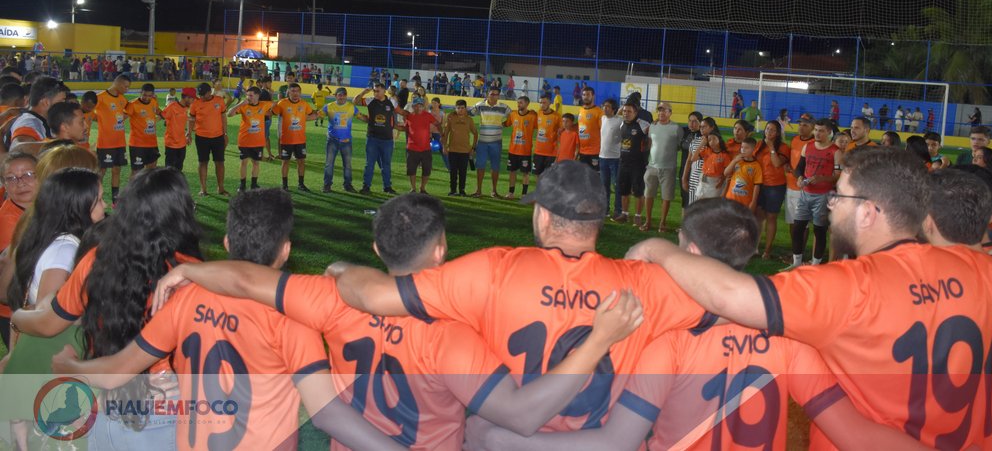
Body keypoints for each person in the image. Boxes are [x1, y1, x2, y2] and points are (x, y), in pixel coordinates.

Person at [151, 192, 642, 451]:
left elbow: (247, 280)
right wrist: (598, 339)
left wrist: (190, 271)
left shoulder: (332, 300)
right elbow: (518, 413)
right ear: (442, 250)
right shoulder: (454, 330)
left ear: (376, 248)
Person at [468, 199, 930, 451]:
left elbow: (615, 442)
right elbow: (853, 434)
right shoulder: (792, 341)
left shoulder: (670, 341)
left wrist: (498, 438)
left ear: (689, 252)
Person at [626, 147, 992, 451]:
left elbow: (727, 295)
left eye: (839, 195)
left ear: (868, 213)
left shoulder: (848, 287)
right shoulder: (981, 269)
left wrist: (658, 248)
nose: (831, 204)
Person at [329, 160, 721, 435]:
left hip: (507, 435)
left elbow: (377, 296)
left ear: (544, 217)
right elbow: (729, 302)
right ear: (598, 220)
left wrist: (342, 270)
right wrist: (659, 250)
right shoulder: (645, 285)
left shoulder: (491, 270)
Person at [54, 187, 405, 451]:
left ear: (226, 241)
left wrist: (71, 366)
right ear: (286, 250)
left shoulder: (186, 297)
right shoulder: (291, 317)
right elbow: (326, 412)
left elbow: (117, 370)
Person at [13, 168, 202, 449]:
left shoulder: (94, 260)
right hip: (163, 407)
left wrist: (18, 316)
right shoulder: (191, 274)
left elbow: (48, 323)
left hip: (106, 408)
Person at [0, 168, 104, 449]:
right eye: (98, 200)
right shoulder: (66, 251)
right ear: (78, 207)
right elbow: (47, 315)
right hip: (50, 367)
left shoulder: (52, 239)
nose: (105, 206)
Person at [788, 117, 838, 267]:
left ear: (829, 132)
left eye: (821, 131)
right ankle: (796, 263)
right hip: (805, 193)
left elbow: (838, 176)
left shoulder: (835, 151)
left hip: (823, 195)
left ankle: (816, 265)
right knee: (797, 228)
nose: (817, 133)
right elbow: (799, 168)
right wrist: (799, 177)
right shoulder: (808, 146)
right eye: (816, 130)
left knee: (819, 230)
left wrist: (823, 178)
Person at [0, 152, 36, 347]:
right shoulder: (8, 223)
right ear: (4, 185)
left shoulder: (37, 208)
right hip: (16, 314)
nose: (20, 183)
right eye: (11, 178)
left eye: (28, 175)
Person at [754, 119, 790, 259]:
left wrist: (771, 147)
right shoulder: (759, 145)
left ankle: (767, 251)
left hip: (775, 186)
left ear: (778, 133)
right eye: (767, 129)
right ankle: (755, 247)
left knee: (771, 217)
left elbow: (776, 164)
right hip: (759, 184)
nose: (769, 132)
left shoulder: (783, 147)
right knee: (758, 216)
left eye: (772, 130)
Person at [272, 82, 317, 192]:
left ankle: (301, 184)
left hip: (300, 139)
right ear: (288, 92)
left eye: (297, 91)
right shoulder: (282, 103)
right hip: (286, 140)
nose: (295, 93)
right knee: (285, 162)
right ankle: (284, 185)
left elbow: (311, 114)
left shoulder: (304, 104)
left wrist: (318, 114)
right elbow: (272, 113)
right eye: (292, 91)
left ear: (300, 92)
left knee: (301, 161)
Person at [93, 74, 130, 203]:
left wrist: (123, 117)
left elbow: (129, 110)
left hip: (120, 142)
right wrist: (100, 120)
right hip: (105, 142)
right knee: (102, 171)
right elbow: (89, 111)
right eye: (125, 86)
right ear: (118, 84)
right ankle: (96, 197)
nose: (127, 89)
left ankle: (115, 199)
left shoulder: (122, 99)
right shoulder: (101, 97)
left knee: (117, 170)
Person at [355, 84, 398, 195]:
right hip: (372, 138)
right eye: (374, 91)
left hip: (387, 139)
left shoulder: (392, 102)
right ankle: (366, 186)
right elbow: (355, 101)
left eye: (378, 91)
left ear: (384, 91)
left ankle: (387, 187)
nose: (375, 93)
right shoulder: (370, 100)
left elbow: (399, 113)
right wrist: (364, 92)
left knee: (386, 164)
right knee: (369, 164)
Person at [229, 85, 273, 191]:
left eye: (251, 95)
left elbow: (277, 105)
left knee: (256, 163)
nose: (248, 97)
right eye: (247, 95)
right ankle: (242, 185)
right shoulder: (243, 106)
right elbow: (229, 114)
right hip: (244, 141)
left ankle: (254, 184)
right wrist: (240, 103)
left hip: (258, 141)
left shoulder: (264, 105)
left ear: (258, 96)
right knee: (244, 162)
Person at [612, 103, 650, 228]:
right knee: (624, 190)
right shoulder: (622, 124)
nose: (626, 113)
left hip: (638, 164)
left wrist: (646, 153)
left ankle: (638, 216)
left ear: (635, 113)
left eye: (629, 111)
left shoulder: (643, 125)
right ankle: (624, 214)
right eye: (624, 111)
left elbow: (652, 138)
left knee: (638, 191)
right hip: (623, 162)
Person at [7, 76, 68, 151]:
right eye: (62, 101)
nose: (65, 106)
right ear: (46, 102)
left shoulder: (41, 120)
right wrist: (63, 145)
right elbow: (17, 148)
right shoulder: (29, 122)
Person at [188, 81, 228, 196]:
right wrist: (188, 133)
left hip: (218, 137)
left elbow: (223, 117)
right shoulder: (195, 103)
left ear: (210, 92)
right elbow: (191, 119)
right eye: (200, 95)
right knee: (202, 162)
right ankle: (203, 189)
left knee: (220, 162)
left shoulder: (219, 101)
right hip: (201, 137)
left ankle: (221, 188)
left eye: (203, 95)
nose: (201, 97)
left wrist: (225, 133)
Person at [469, 88, 510, 198]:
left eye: (496, 94)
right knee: (480, 166)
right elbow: (470, 113)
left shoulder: (504, 107)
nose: (493, 96)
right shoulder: (480, 105)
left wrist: (504, 124)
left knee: (495, 167)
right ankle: (478, 190)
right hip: (482, 142)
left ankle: (494, 191)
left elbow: (513, 117)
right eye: (492, 94)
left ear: (499, 96)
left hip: (496, 142)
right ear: (488, 94)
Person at [396, 96, 440, 194]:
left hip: (426, 148)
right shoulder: (409, 116)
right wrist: (395, 127)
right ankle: (413, 188)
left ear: (423, 106)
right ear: (413, 106)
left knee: (427, 169)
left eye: (420, 106)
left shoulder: (428, 115)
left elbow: (437, 123)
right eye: (416, 106)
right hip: (412, 148)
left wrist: (441, 134)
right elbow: (406, 128)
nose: (418, 108)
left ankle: (422, 188)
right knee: (411, 169)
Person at [321, 87, 361, 193]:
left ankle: (348, 185)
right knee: (329, 164)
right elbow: (318, 115)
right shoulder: (329, 106)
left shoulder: (351, 107)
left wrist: (372, 121)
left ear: (346, 96)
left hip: (346, 141)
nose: (342, 97)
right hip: (332, 140)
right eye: (339, 95)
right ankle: (327, 185)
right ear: (335, 96)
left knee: (347, 164)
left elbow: (361, 117)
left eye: (344, 95)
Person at [783, 113, 814, 230]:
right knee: (791, 220)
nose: (801, 127)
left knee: (802, 224)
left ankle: (799, 243)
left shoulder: (814, 143)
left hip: (803, 188)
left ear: (812, 127)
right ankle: (794, 243)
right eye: (800, 124)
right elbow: (791, 158)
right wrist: (787, 164)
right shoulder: (795, 139)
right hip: (790, 185)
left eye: (805, 125)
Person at [441, 99, 478, 196]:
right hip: (452, 150)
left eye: (462, 108)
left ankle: (462, 190)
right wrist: (444, 146)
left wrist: (473, 148)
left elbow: (475, 133)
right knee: (453, 172)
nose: (460, 110)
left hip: (465, 151)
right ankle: (453, 190)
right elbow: (445, 133)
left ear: (466, 109)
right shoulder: (451, 118)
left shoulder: (469, 120)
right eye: (458, 108)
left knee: (463, 172)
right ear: (455, 108)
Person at [124, 82, 162, 171]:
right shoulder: (132, 104)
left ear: (153, 94)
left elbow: (159, 112)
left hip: (152, 142)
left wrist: (163, 116)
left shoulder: (154, 102)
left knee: (152, 169)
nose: (146, 98)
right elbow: (121, 118)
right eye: (144, 95)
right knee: (137, 172)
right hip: (137, 144)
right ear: (140, 92)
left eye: (149, 96)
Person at [505, 96, 537, 199]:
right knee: (512, 172)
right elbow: (506, 124)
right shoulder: (513, 114)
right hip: (513, 149)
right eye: (518, 102)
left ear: (527, 104)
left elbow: (541, 125)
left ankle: (524, 194)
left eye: (521, 103)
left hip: (525, 151)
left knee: (525, 173)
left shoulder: (533, 116)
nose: (518, 104)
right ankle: (511, 193)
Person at [681, 117, 715, 206]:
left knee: (707, 208)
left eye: (704, 127)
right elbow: (689, 161)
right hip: (694, 179)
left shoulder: (716, 143)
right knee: (694, 207)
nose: (702, 129)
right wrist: (684, 178)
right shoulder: (695, 142)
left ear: (712, 128)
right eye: (701, 127)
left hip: (709, 181)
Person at [598, 99, 623, 219]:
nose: (604, 108)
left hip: (615, 158)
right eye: (604, 106)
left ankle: (618, 210)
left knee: (617, 186)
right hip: (602, 157)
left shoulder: (620, 120)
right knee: (604, 186)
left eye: (607, 106)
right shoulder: (603, 119)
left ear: (613, 109)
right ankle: (605, 209)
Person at [724, 136, 762, 213]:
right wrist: (734, 161)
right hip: (731, 199)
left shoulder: (756, 166)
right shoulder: (737, 160)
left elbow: (757, 186)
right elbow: (726, 173)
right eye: (742, 147)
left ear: (753, 149)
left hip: (745, 202)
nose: (743, 150)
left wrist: (753, 202)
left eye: (746, 148)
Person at [161, 86, 195, 170]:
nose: (193, 101)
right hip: (171, 144)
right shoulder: (172, 106)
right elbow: (161, 116)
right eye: (192, 99)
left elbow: (187, 118)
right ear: (186, 98)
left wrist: (188, 133)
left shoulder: (186, 108)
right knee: (169, 171)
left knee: (179, 169)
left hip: (182, 144)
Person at [677, 111, 702, 215]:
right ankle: (685, 223)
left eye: (695, 121)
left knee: (696, 200)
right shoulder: (684, 131)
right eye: (690, 121)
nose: (692, 124)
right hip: (684, 170)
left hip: (697, 173)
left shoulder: (704, 135)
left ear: (700, 122)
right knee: (685, 198)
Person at [694, 129, 729, 201]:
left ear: (719, 140)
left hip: (714, 183)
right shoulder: (707, 150)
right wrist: (701, 144)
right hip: (703, 181)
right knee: (699, 203)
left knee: (711, 204)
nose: (712, 142)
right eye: (709, 140)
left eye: (714, 139)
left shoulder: (724, 155)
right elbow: (693, 158)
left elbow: (727, 172)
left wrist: (722, 181)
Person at [532, 94, 560, 179]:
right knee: (538, 175)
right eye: (540, 103)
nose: (542, 105)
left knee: (549, 177)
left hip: (551, 153)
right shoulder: (538, 113)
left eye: (544, 103)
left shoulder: (556, 116)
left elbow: (562, 132)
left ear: (550, 103)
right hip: (538, 151)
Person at [576, 86, 602, 169]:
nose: (585, 97)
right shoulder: (581, 110)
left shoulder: (599, 112)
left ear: (593, 96)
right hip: (582, 151)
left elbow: (603, 131)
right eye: (584, 95)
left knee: (594, 175)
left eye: (588, 95)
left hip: (594, 152)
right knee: (582, 175)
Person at [258, 76, 276, 161]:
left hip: (265, 118)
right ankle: (261, 155)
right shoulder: (264, 93)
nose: (271, 84)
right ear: (265, 83)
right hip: (264, 118)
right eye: (269, 83)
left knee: (266, 137)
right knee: (264, 137)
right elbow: (269, 106)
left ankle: (269, 153)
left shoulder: (264, 92)